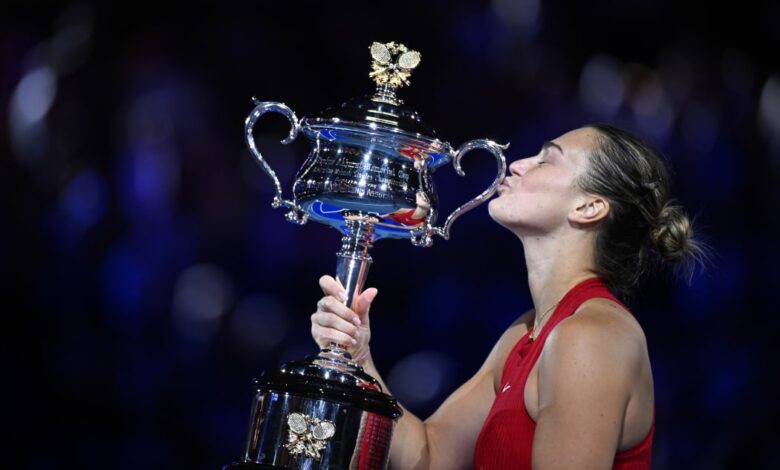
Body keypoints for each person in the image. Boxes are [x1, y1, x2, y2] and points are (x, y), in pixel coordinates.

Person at [310, 123, 703, 469]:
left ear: (589, 207)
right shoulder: (525, 333)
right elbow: (430, 455)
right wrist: (359, 358)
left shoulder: (590, 336)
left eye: (546, 160)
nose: (516, 164)